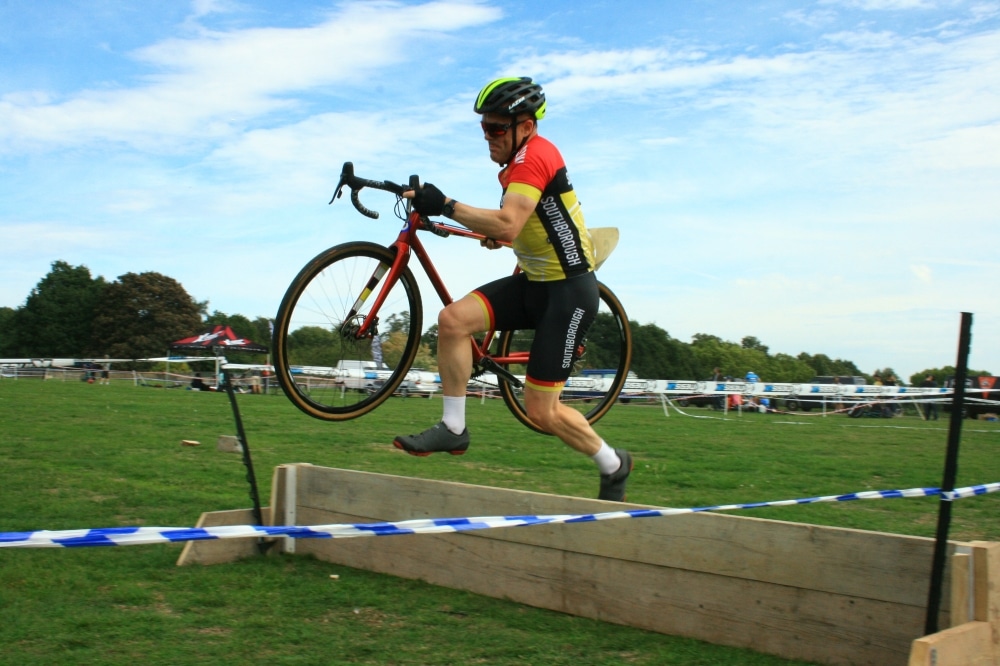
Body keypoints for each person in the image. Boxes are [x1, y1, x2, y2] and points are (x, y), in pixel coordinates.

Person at [393, 77, 632, 502]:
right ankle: (453, 428)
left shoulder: (536, 157)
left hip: (569, 293)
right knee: (452, 321)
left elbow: (509, 221)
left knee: (541, 412)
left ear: (526, 125)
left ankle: (613, 464)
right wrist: (496, 233)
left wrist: (447, 205)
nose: (488, 138)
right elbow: (520, 225)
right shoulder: (517, 164)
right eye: (484, 128)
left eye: (496, 129)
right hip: (534, 283)